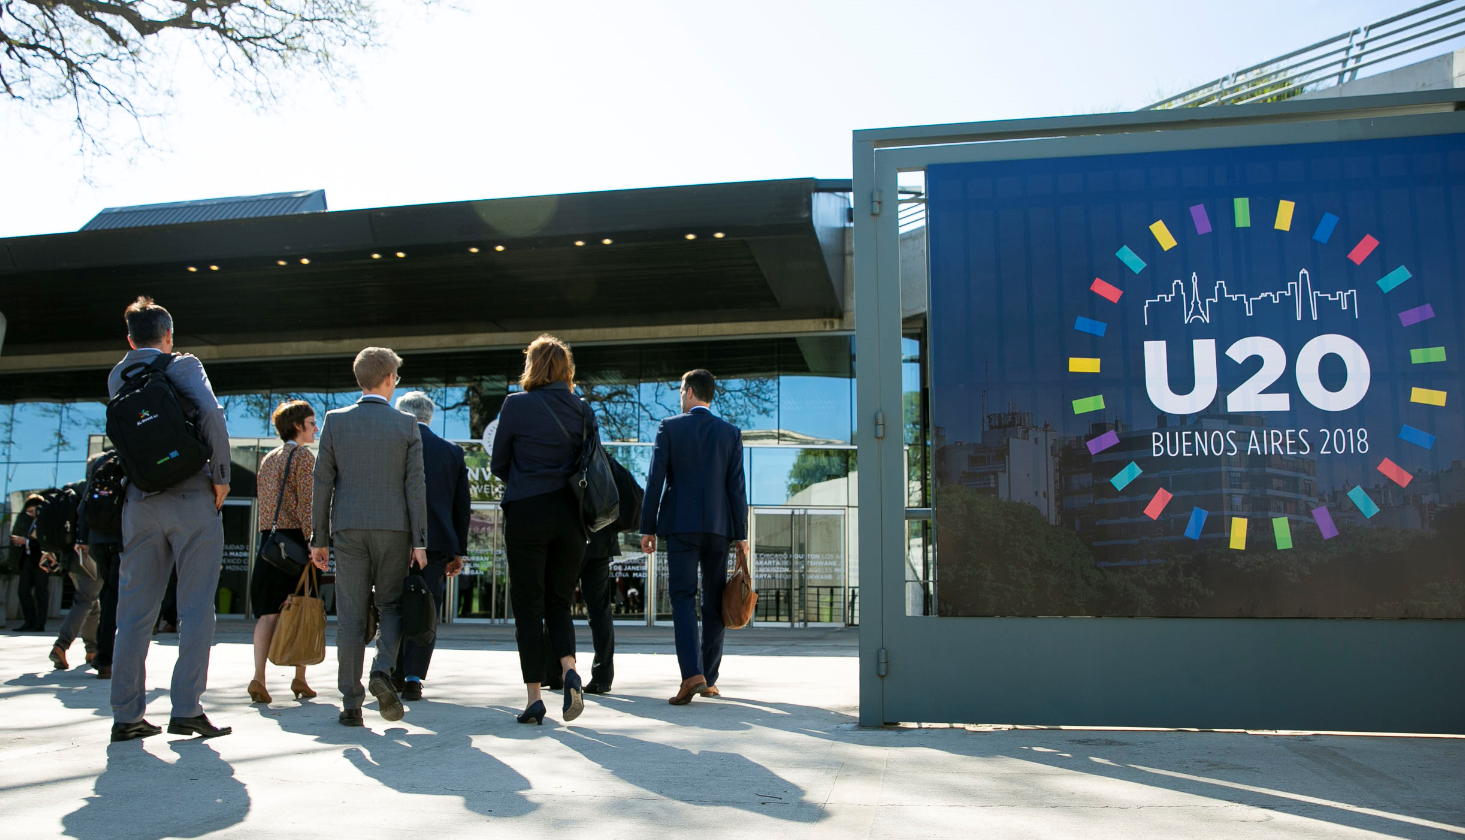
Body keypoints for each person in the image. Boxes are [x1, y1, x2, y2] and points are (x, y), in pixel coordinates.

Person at [107, 296, 233, 742]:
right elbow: (211, 413)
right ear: (168, 335)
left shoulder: (118, 375)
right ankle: (186, 710)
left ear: (130, 339)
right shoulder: (183, 365)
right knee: (196, 608)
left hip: (139, 501)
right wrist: (221, 476)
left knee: (133, 614)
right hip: (191, 496)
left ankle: (126, 716)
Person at [310, 347, 428, 727]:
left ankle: (351, 704)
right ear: (390, 379)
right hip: (395, 528)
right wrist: (420, 542)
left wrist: (318, 538)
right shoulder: (407, 425)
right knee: (392, 606)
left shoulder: (335, 421)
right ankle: (382, 670)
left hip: (348, 528)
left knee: (350, 617)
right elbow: (415, 486)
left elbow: (322, 482)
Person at [490, 334, 597, 725]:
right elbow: (591, 462)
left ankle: (535, 698)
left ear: (531, 366)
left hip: (527, 511)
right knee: (559, 601)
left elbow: (499, 463)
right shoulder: (583, 409)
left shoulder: (516, 404)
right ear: (566, 369)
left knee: (528, 606)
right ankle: (569, 668)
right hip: (571, 515)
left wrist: (524, 479)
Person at [641, 369, 748, 705]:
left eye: (680, 391)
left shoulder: (670, 427)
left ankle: (692, 675)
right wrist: (741, 535)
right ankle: (709, 678)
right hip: (719, 527)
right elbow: (736, 488)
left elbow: (655, 480)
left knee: (683, 597)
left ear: (688, 392)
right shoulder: (730, 433)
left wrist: (647, 527)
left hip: (681, 525)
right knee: (714, 599)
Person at [541, 453, 643, 694]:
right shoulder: (605, 460)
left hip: (570, 543)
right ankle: (602, 675)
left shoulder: (565, 457)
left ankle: (555, 672)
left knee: (557, 605)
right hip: (600, 544)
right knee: (599, 611)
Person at [391, 391, 470, 702]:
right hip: (436, 544)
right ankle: (413, 678)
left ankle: (392, 671)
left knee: (392, 605)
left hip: (395, 540)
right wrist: (458, 551)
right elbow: (461, 506)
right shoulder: (451, 451)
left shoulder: (393, 446)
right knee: (426, 609)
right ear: (429, 416)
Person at [248, 400, 320, 704]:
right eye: (311, 422)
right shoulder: (302, 456)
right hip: (295, 545)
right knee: (304, 607)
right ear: (297, 426)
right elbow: (307, 504)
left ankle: (258, 678)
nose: (316, 428)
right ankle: (299, 678)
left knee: (267, 614)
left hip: (269, 542)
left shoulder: (269, 458)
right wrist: (314, 542)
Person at [77, 452, 123, 680]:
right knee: (117, 597)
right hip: (124, 538)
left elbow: (84, 505)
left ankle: (103, 656)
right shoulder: (130, 458)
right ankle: (107, 658)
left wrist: (82, 538)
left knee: (108, 595)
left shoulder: (99, 465)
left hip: (98, 540)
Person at [48, 482, 103, 670]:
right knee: (85, 600)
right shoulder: (95, 488)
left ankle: (92, 650)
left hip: (68, 556)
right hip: (88, 553)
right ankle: (61, 645)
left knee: (91, 602)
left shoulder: (68, 491)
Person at [10, 495, 47, 632]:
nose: (30, 514)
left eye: (32, 511)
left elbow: (43, 540)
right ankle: (29, 621)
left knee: (41, 592)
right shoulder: (31, 522)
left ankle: (40, 623)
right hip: (27, 558)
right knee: (23, 591)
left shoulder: (46, 521)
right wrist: (23, 542)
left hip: (41, 559)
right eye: (28, 512)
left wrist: (25, 541)